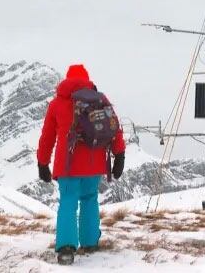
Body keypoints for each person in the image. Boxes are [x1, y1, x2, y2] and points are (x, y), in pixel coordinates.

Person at [37, 64, 126, 265]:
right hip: (94, 163)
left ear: (66, 80)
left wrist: (43, 163)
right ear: (87, 79)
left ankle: (67, 248)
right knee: (90, 199)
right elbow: (115, 127)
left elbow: (47, 138)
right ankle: (90, 241)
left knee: (68, 201)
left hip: (68, 165)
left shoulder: (57, 104)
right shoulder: (100, 99)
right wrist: (119, 154)